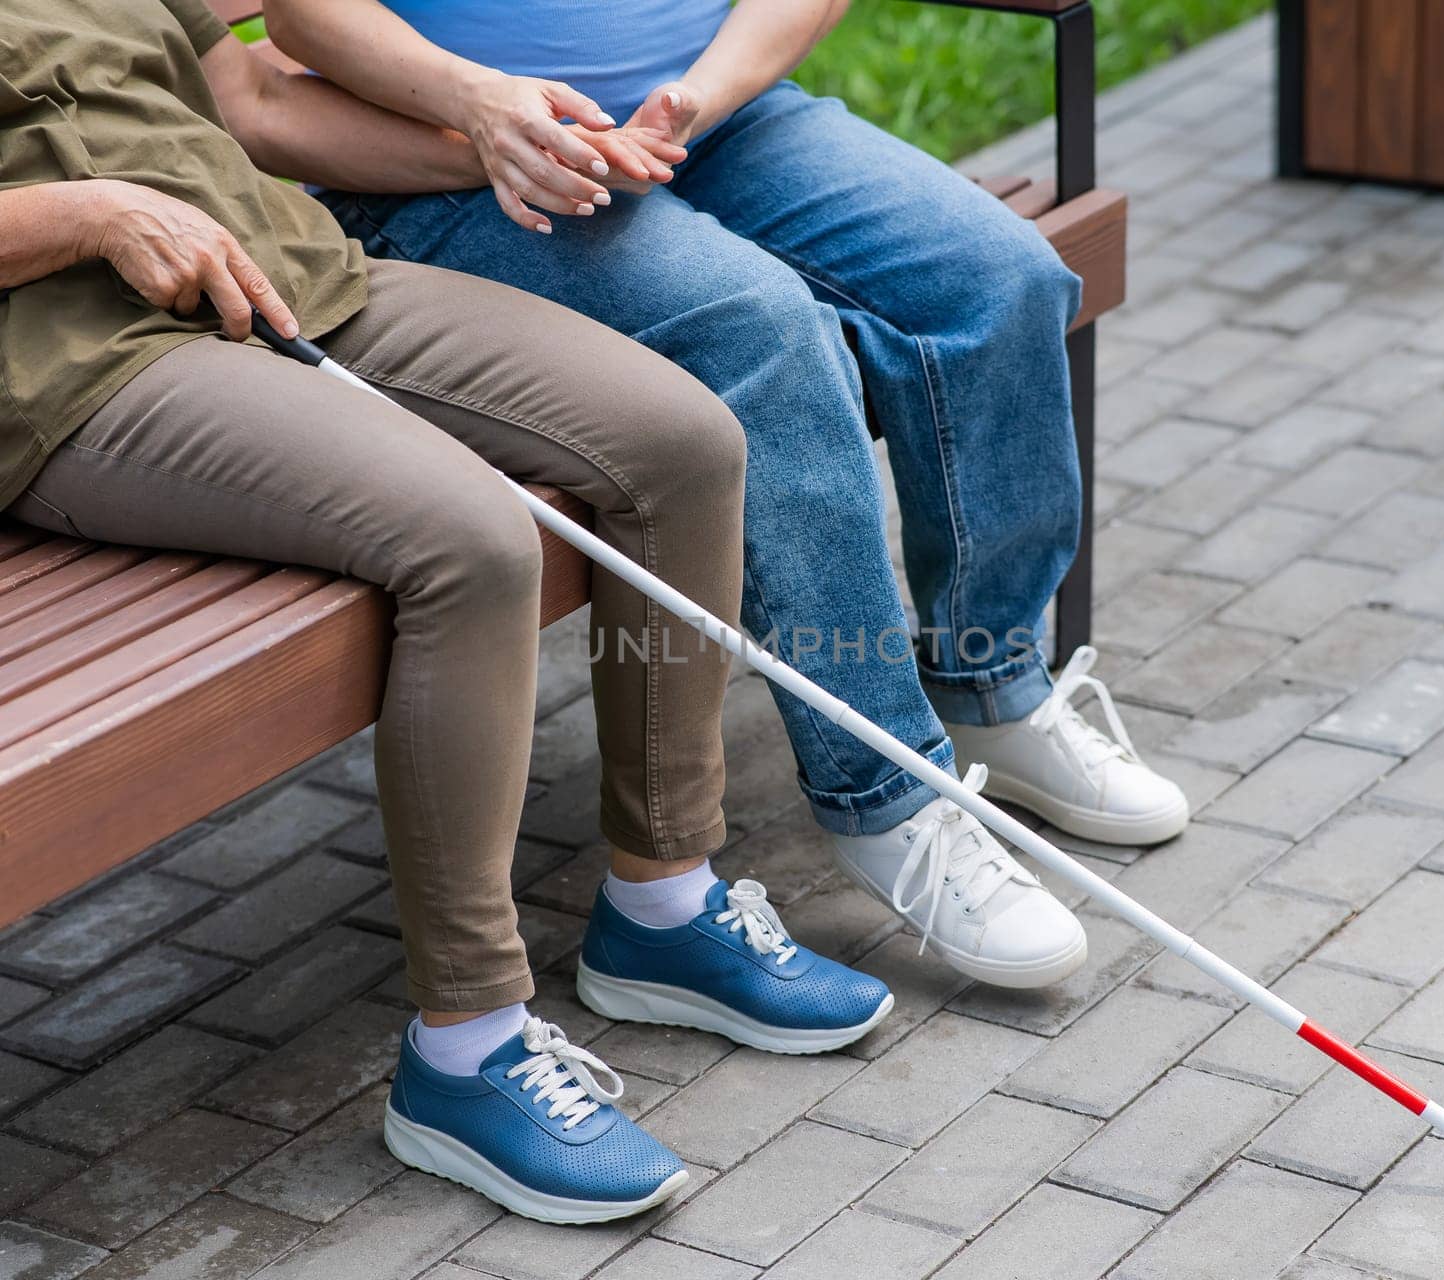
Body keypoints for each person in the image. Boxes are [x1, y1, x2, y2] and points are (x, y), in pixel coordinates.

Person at [1, 0, 892, 1224]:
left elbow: (250, 100)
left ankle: (662, 906)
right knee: (470, 541)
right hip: (74, 366)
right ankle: (466, 1050)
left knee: (680, 443)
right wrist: (89, 213)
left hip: (286, 269)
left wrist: (504, 143)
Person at [263, 0, 1194, 992]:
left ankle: (990, 684)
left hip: (720, 119)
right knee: (768, 341)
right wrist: (482, 103)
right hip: (466, 165)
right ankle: (887, 794)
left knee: (996, 281)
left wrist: (697, 99)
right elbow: (302, 15)